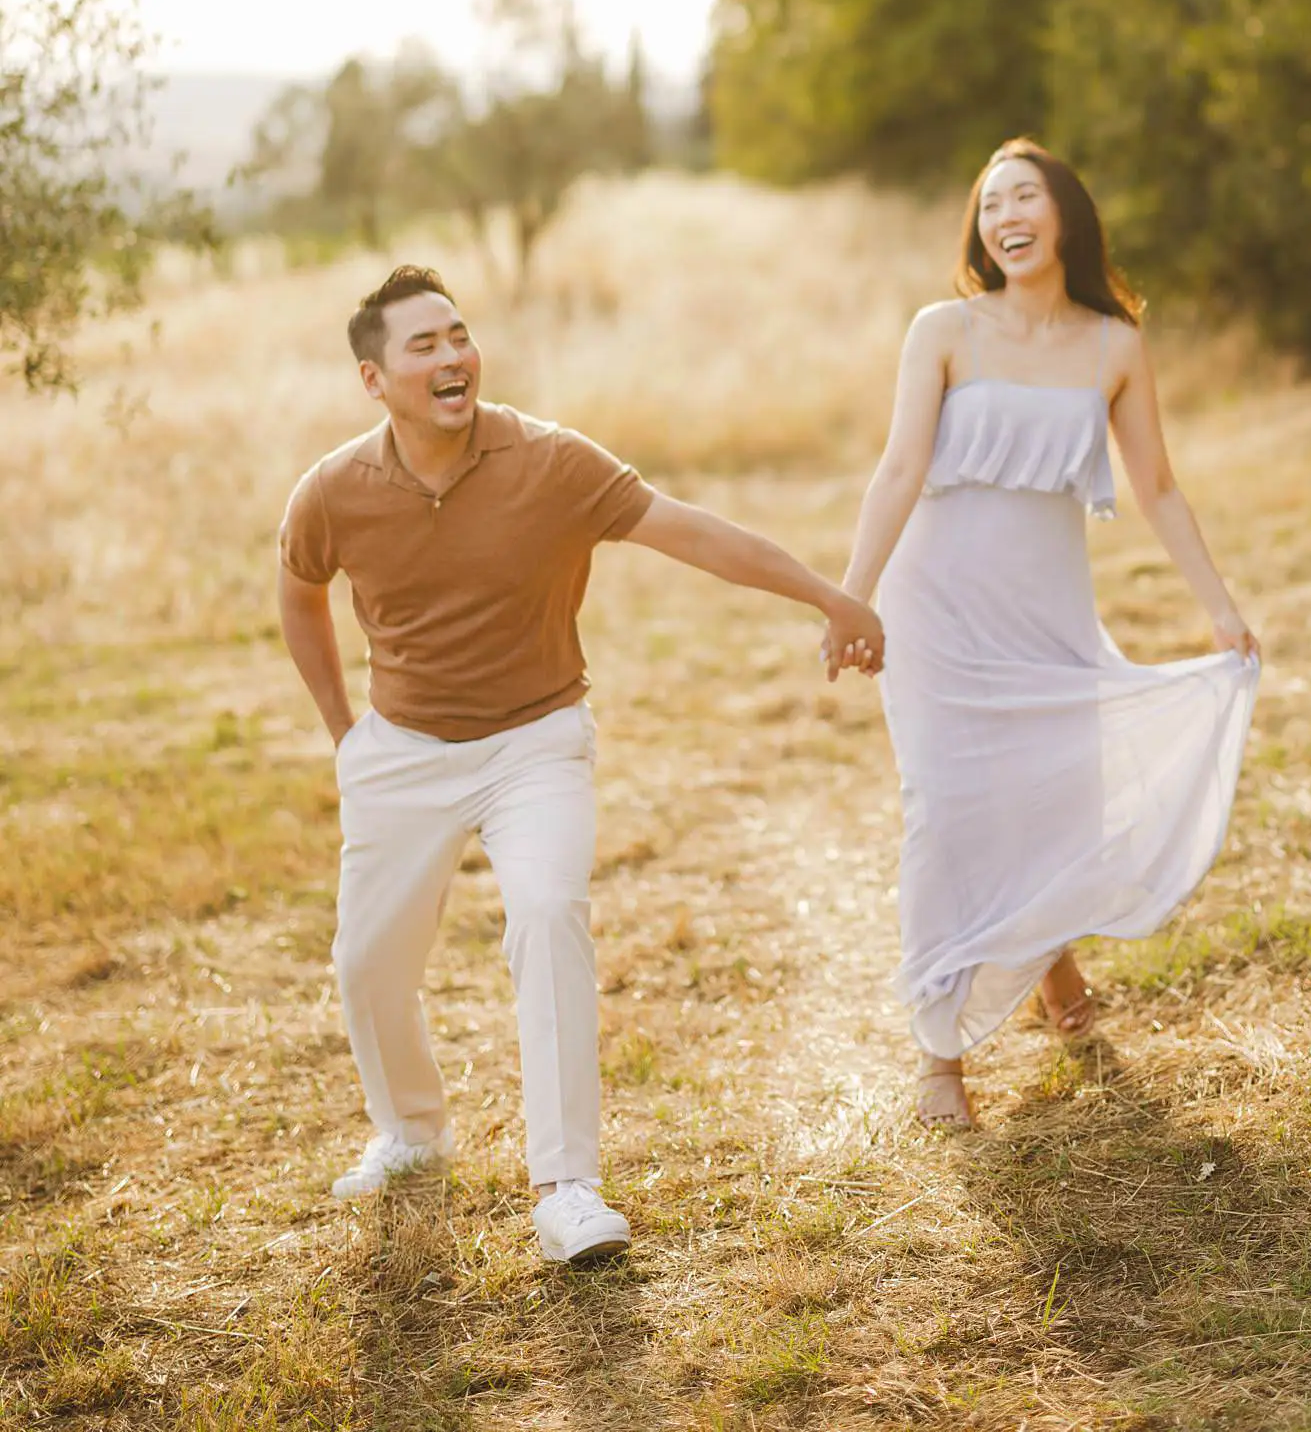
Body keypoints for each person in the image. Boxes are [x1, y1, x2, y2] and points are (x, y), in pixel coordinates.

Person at [277, 264, 882, 1261]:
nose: (453, 355)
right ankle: (412, 1130)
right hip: (402, 750)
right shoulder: (334, 489)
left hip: (535, 740)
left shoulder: (550, 460)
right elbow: (299, 590)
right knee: (366, 960)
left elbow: (694, 531)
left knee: (549, 913)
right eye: (424, 344)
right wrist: (346, 733)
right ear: (373, 378)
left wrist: (829, 595)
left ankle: (566, 1187)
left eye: (459, 335)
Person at [839, 140, 1259, 1126]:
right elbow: (898, 469)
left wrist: (1221, 604)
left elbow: (1157, 485)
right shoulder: (944, 329)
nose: (1005, 216)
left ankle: (1049, 951)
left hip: (1047, 605)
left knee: (1057, 797)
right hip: (936, 602)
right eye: (990, 204)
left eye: (1024, 195)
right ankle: (940, 1054)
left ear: (1065, 212)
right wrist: (850, 597)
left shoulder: (1115, 344)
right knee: (945, 808)